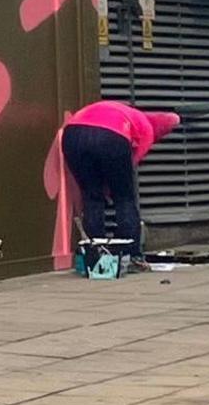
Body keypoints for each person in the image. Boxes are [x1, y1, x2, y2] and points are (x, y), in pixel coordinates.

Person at [60, 96, 182, 274]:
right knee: (124, 198)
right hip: (111, 134)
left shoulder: (127, 112)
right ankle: (131, 257)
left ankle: (95, 257)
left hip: (72, 133)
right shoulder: (148, 128)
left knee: (92, 197)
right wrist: (113, 186)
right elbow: (132, 162)